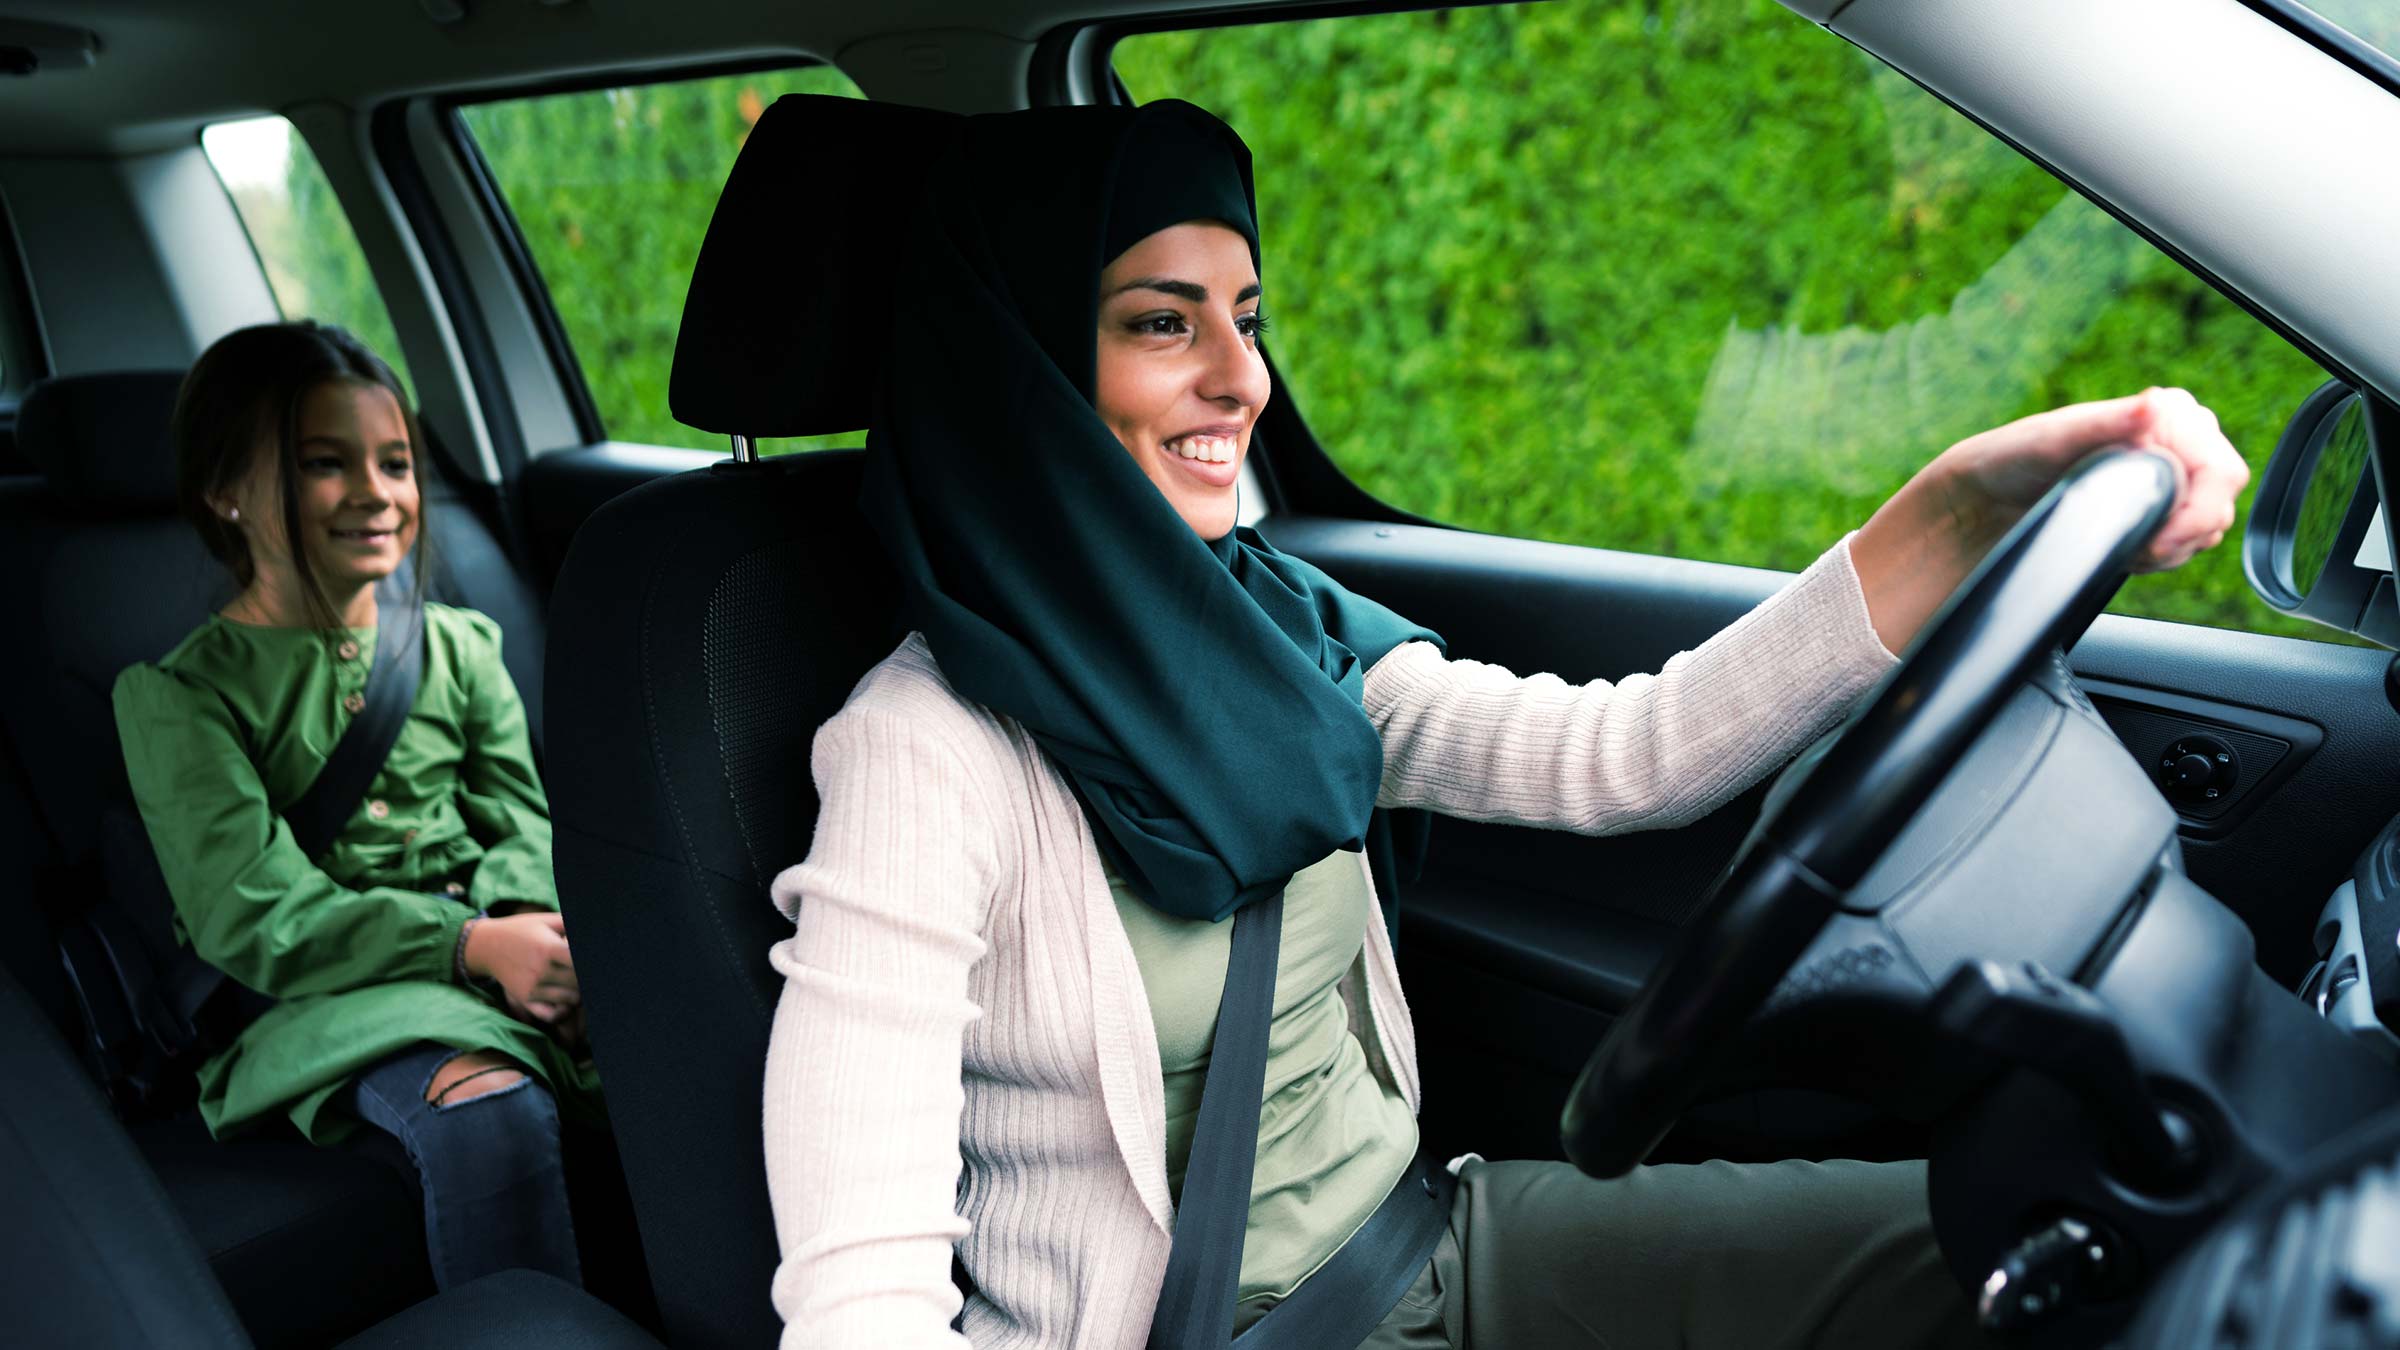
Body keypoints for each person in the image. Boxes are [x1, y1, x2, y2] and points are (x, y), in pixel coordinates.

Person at [758, 101, 2247, 1350]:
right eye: (1163, 324)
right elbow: (860, 1293)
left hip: (1436, 1257)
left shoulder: (1279, 630)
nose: (1242, 380)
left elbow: (1632, 755)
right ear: (1028, 375)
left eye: (1249, 317)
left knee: (2078, 1241)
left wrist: (1963, 507)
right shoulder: (924, 749)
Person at [112, 321, 601, 1291]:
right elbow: (253, 910)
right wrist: (467, 945)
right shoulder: (177, 697)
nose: (377, 493)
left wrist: (546, 940)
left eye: (397, 462)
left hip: (492, 953)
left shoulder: (461, 646)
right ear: (225, 491)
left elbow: (519, 822)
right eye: (325, 465)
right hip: (323, 994)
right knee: (486, 1110)